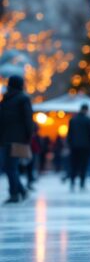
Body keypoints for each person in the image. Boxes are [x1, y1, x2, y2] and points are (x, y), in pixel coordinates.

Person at [0, 75, 33, 204]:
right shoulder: (23, 99)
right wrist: (29, 136)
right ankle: (18, 192)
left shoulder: (5, 100)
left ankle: (17, 192)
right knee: (12, 167)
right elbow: (28, 119)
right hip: (19, 139)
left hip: (5, 139)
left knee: (9, 167)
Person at [66, 104, 90, 191]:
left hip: (74, 146)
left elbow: (69, 134)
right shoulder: (88, 120)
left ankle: (72, 183)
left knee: (74, 165)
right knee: (83, 166)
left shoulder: (73, 120)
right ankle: (82, 184)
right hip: (85, 147)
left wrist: (70, 145)